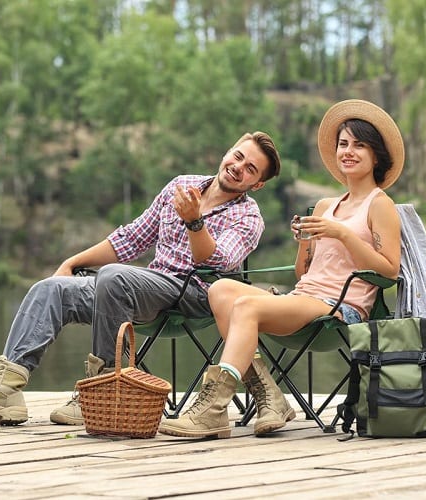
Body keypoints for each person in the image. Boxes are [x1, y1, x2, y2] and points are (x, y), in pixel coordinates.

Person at [0, 131, 281, 426]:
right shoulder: (182, 185)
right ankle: (5, 392)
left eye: (250, 168)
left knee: (115, 278)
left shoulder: (248, 216)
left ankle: (101, 392)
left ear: (257, 183)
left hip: (195, 294)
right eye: (238, 156)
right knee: (50, 289)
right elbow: (132, 238)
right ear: (227, 153)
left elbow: (215, 260)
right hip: (142, 287)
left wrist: (195, 222)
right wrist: (72, 262)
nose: (239, 167)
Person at [157, 99, 404, 439]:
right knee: (220, 289)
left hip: (340, 309)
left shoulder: (381, 204)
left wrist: (342, 234)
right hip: (307, 297)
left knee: (246, 305)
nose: (348, 151)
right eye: (343, 144)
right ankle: (269, 397)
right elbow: (304, 275)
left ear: (376, 155)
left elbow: (389, 271)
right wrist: (305, 241)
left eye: (359, 146)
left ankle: (213, 409)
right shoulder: (326, 205)